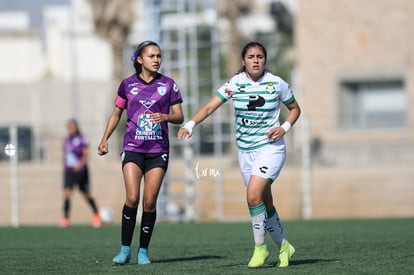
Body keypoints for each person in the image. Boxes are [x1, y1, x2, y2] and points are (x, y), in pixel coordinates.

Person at [178, 41, 301, 268]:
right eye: (251, 56)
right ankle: (284, 246)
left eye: (260, 56)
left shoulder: (276, 83)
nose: (256, 60)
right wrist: (190, 124)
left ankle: (260, 248)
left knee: (253, 195)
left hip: (271, 149)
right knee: (265, 202)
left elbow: (295, 109)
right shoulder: (235, 84)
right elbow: (209, 107)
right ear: (243, 61)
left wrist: (283, 128)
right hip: (245, 152)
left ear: (265, 60)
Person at [98, 40, 184, 265]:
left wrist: (165, 117)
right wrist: (104, 139)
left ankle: (143, 251)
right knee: (133, 197)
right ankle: (125, 249)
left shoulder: (169, 84)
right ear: (139, 59)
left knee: (149, 201)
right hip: (133, 149)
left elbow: (180, 116)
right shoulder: (127, 85)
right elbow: (116, 113)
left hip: (158, 151)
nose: (156, 60)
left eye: (158, 56)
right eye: (151, 56)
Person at [61, 119, 102, 228]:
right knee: (67, 194)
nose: (71, 129)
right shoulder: (67, 140)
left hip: (81, 171)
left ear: (76, 127)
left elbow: (86, 154)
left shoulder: (82, 139)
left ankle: (96, 214)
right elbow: (65, 156)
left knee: (86, 194)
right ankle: (65, 218)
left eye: (72, 127)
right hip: (69, 172)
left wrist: (79, 165)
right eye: (69, 127)